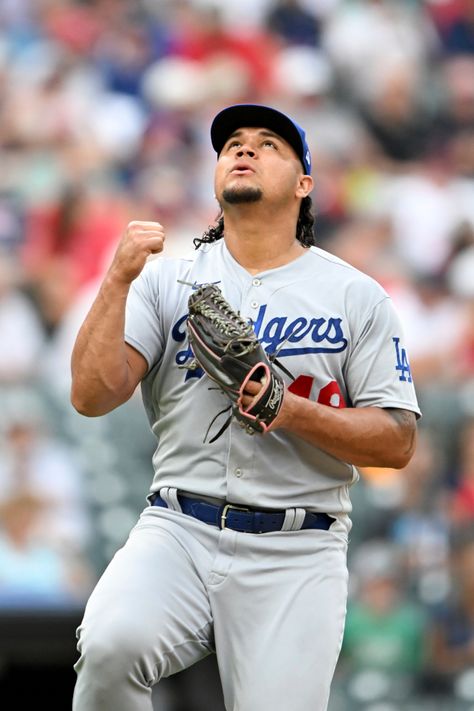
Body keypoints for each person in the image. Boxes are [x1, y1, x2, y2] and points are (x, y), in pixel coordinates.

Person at [70, 104, 421, 711]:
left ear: (304, 184)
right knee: (110, 646)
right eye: (233, 142)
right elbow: (91, 395)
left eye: (268, 145)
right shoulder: (165, 281)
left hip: (297, 545)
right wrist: (116, 280)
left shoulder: (354, 294)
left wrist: (290, 410)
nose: (244, 149)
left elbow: (397, 442)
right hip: (178, 527)